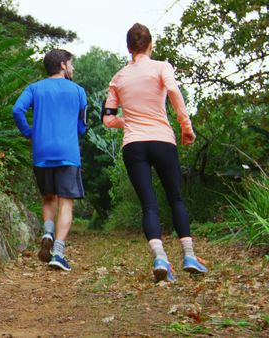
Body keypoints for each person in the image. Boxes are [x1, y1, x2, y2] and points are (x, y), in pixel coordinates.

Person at [102, 23, 208, 282]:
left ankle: (160, 257)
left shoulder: (118, 78)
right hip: (162, 140)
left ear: (129, 48)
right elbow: (173, 91)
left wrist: (131, 122)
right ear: (150, 45)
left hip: (134, 145)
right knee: (176, 199)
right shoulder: (162, 67)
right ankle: (189, 255)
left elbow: (107, 119)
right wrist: (186, 126)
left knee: (148, 205)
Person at [12, 49, 87, 271]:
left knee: (48, 198)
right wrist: (74, 132)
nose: (72, 68)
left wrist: (29, 132)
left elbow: (17, 109)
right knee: (66, 201)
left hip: (42, 152)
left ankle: (47, 231)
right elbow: (82, 125)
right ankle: (59, 252)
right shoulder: (78, 91)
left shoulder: (34, 88)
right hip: (67, 153)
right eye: (71, 64)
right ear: (63, 65)